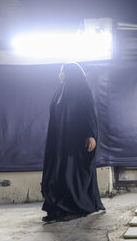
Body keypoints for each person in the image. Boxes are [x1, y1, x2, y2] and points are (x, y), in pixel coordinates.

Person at [41, 63, 105, 223]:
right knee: (58, 174)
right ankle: (59, 208)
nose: (60, 75)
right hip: (60, 142)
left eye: (62, 72)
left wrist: (91, 135)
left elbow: (89, 111)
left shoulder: (82, 89)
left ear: (70, 73)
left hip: (75, 142)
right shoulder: (60, 91)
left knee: (72, 174)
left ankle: (77, 206)